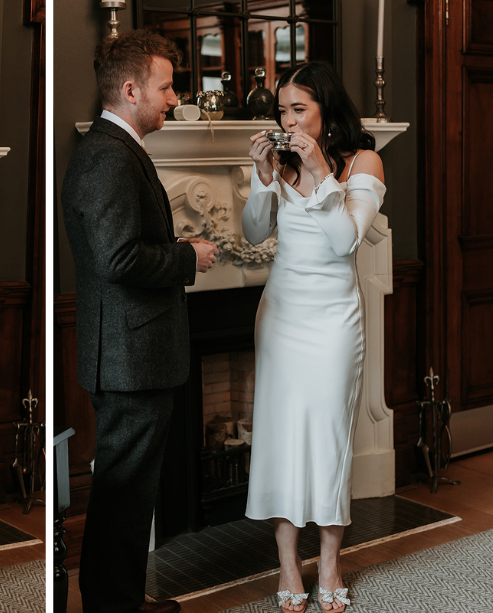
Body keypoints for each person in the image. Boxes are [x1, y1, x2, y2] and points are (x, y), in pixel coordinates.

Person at [61, 30, 219, 613]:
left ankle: (118, 601)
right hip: (130, 356)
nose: (174, 98)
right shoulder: (107, 156)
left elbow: (122, 245)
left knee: (125, 493)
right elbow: (117, 259)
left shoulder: (115, 150)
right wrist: (188, 257)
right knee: (123, 494)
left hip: (132, 351)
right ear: (131, 90)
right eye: (166, 86)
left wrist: (173, 244)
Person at [242, 61, 385, 613]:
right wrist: (260, 178)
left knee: (328, 442)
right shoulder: (278, 163)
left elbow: (344, 240)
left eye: (299, 109)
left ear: (326, 109)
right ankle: (286, 565)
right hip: (280, 316)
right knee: (278, 439)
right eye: (282, 110)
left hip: (332, 324)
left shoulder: (361, 163)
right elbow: (255, 233)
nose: (288, 120)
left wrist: (321, 169)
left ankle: (328, 561)